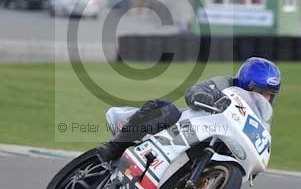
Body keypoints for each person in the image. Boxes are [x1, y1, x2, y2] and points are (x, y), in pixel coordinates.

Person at [95, 57, 281, 162]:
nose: (264, 98)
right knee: (166, 108)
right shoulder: (225, 83)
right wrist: (201, 96)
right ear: (245, 84)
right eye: (259, 92)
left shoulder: (259, 121)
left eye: (269, 94)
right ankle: (115, 146)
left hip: (213, 143)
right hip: (185, 126)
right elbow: (196, 90)